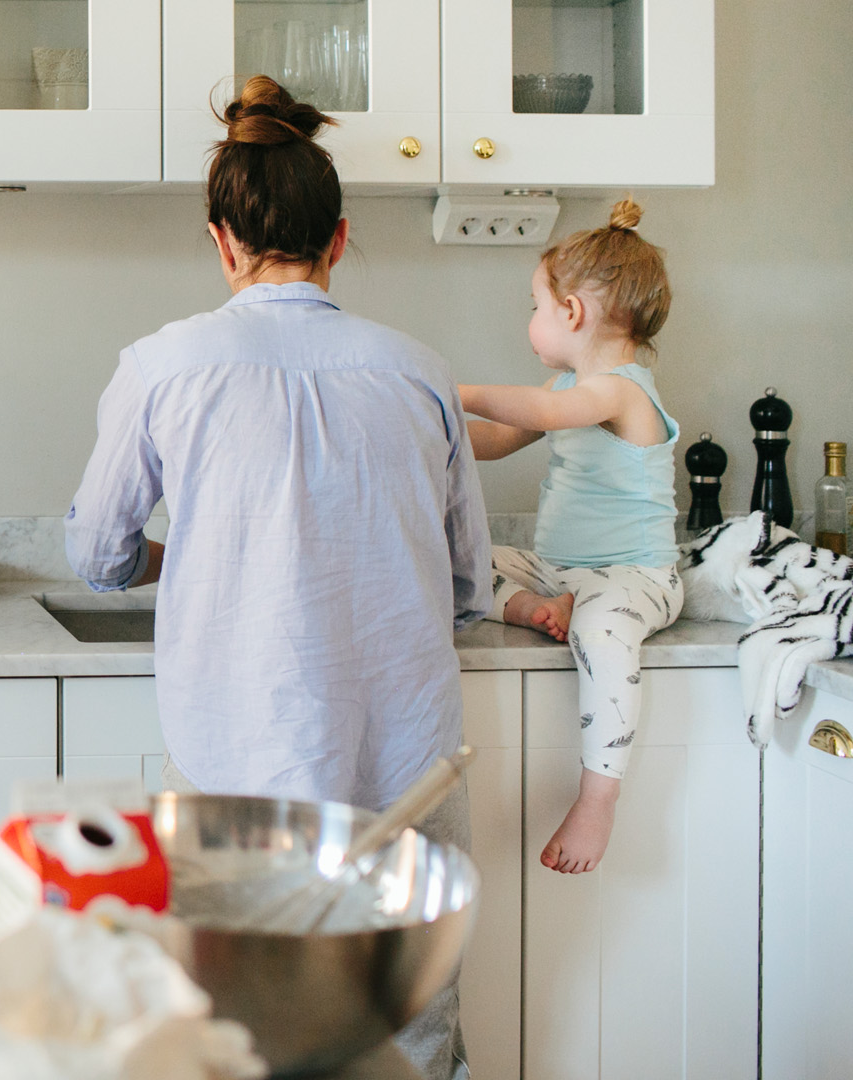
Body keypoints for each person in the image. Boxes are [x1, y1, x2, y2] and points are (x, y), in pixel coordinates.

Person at [64, 76, 490, 1080]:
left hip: (237, 775)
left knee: (235, 1033)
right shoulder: (420, 369)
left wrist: (197, 551)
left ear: (221, 239)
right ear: (339, 239)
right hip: (408, 772)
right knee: (406, 1027)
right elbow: (469, 582)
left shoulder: (163, 367)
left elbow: (97, 554)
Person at [459, 199, 681, 876]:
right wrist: (428, 425)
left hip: (633, 576)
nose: (531, 321)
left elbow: (550, 414)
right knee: (449, 555)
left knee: (603, 633)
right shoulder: (568, 384)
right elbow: (498, 442)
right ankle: (532, 607)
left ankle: (597, 798)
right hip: (559, 570)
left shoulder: (621, 391)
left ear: (573, 312)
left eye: (535, 305)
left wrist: (451, 388)